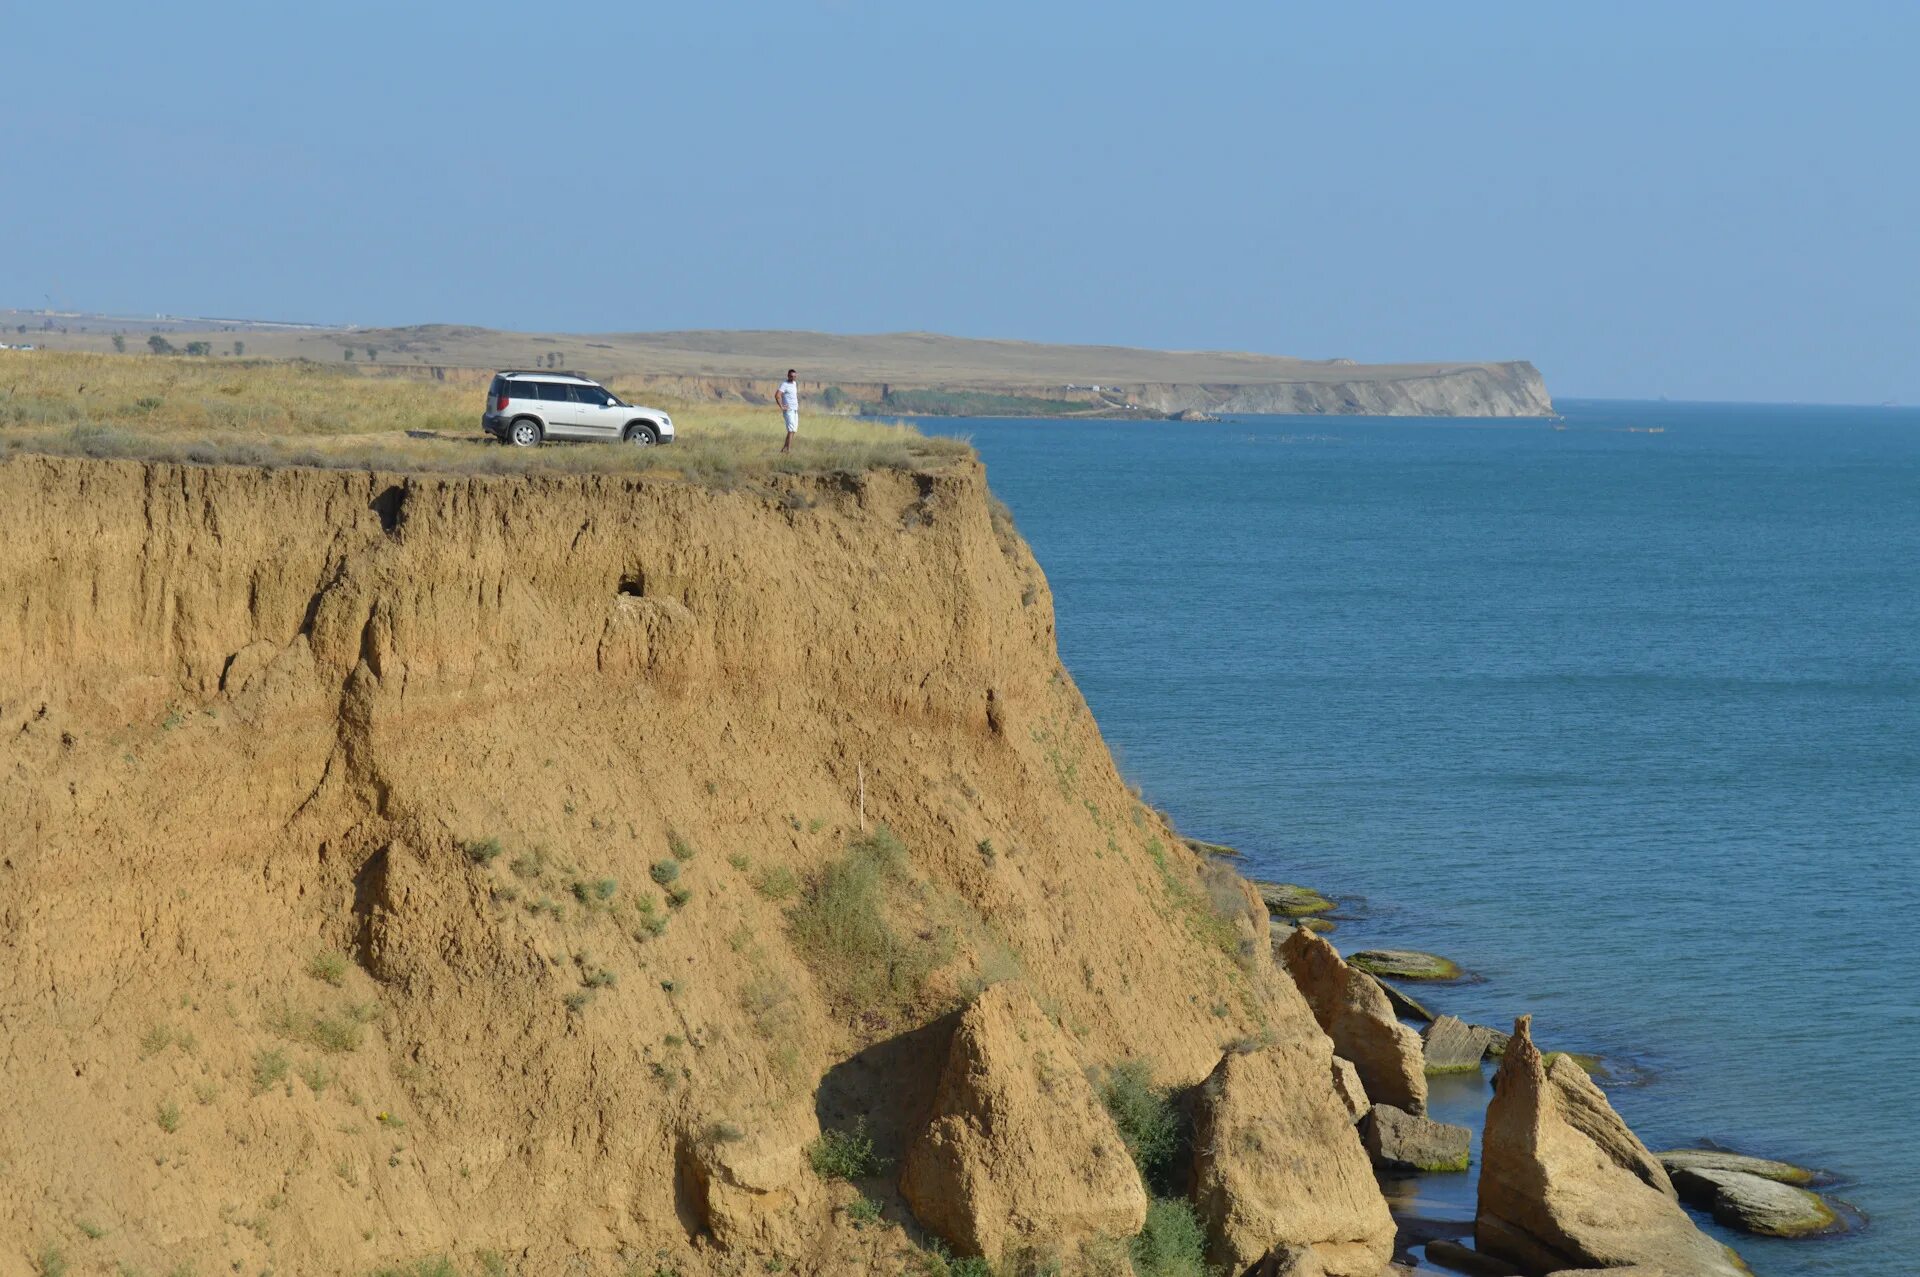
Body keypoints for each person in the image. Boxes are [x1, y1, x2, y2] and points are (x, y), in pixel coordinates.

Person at [777, 369, 799, 452]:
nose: (793, 378)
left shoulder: (794, 383)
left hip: (795, 410)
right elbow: (777, 395)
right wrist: (781, 406)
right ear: (788, 376)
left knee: (793, 430)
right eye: (791, 376)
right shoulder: (784, 384)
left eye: (794, 376)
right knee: (790, 430)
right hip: (789, 410)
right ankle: (788, 451)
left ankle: (784, 449)